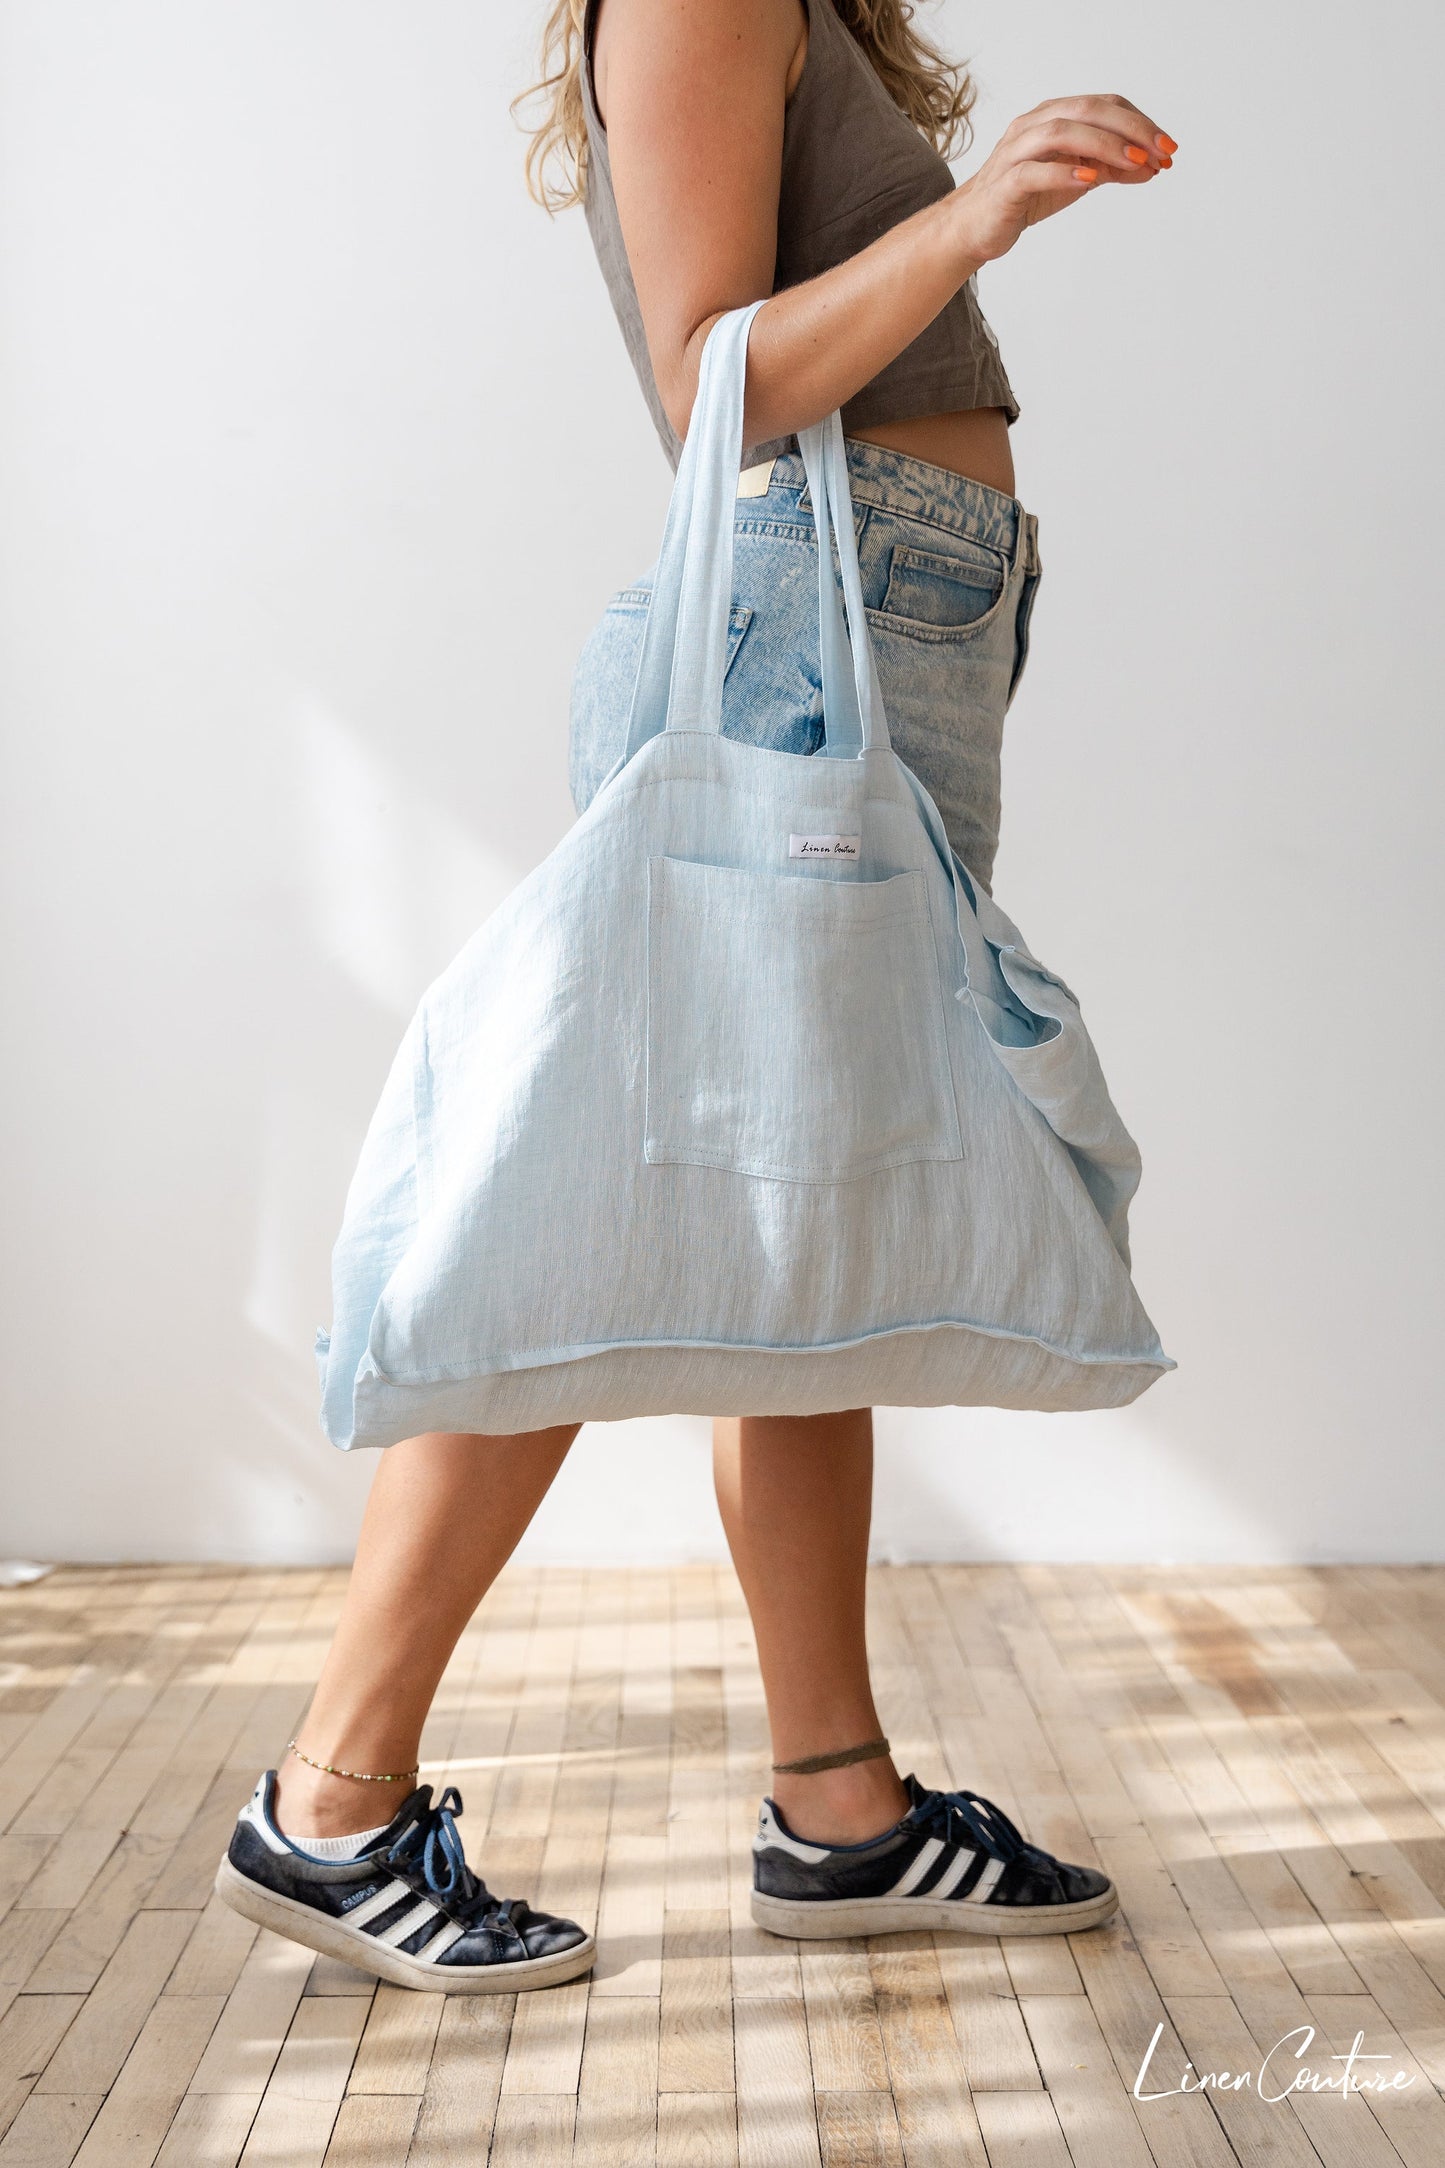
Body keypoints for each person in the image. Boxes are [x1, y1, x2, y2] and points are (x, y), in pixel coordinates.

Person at [215, 0, 1174, 1992]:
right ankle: (329, 1799)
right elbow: (706, 383)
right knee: (595, 1216)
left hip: (895, 617)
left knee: (791, 1233)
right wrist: (978, 215)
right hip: (814, 619)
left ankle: (841, 1806)